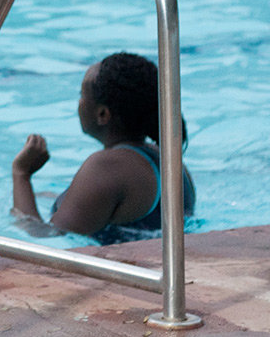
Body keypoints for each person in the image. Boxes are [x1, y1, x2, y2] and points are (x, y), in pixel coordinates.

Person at [13, 52, 196, 244]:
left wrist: (21, 176)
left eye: (81, 95)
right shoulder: (166, 158)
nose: (78, 103)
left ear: (102, 114)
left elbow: (44, 239)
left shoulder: (105, 166)